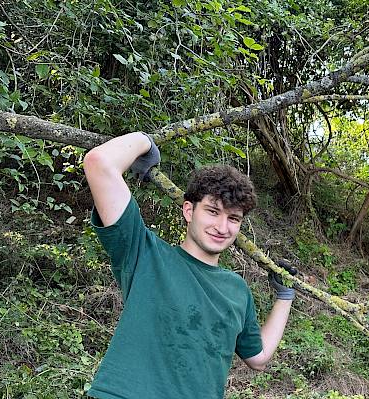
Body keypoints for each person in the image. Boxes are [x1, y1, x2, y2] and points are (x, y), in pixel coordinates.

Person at [83, 132, 296, 398]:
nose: (222, 227)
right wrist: (145, 143)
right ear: (188, 211)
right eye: (212, 211)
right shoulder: (144, 253)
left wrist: (285, 297)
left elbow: (258, 358)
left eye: (233, 218)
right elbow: (99, 162)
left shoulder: (237, 290)